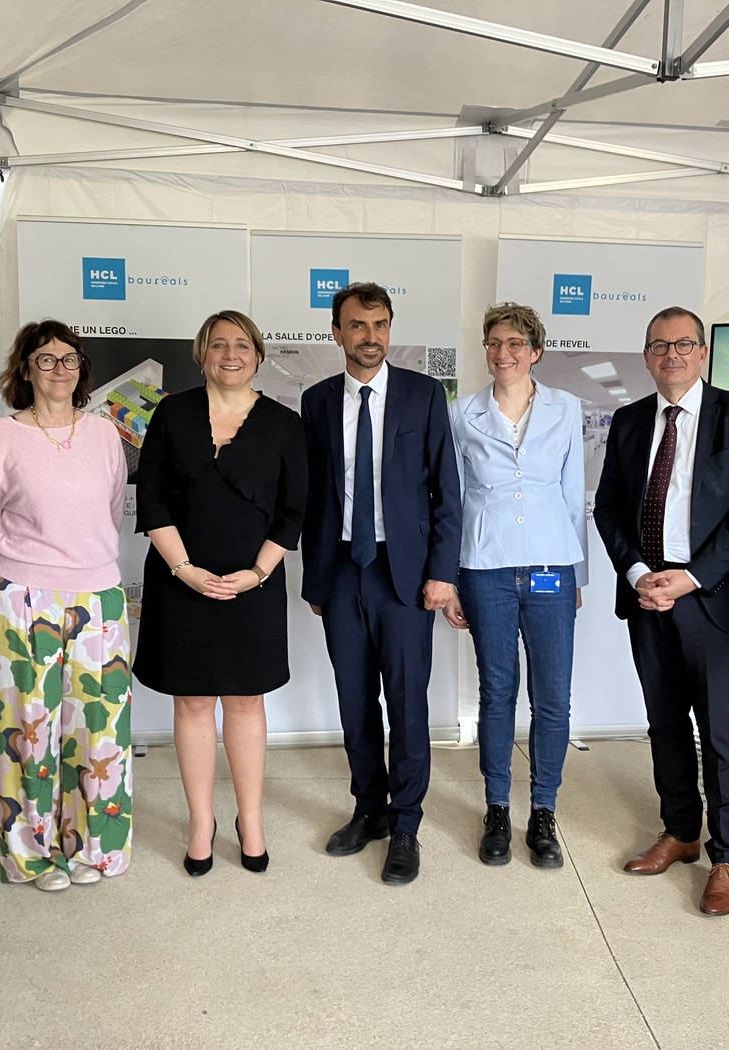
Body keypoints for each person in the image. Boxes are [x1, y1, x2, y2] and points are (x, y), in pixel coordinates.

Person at [592, 305, 729, 916]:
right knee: (665, 723)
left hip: (710, 597)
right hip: (647, 595)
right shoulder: (629, 420)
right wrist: (642, 574)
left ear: (702, 354)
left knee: (720, 730)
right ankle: (681, 832)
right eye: (659, 345)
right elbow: (609, 508)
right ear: (646, 357)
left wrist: (690, 578)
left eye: (684, 344)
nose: (672, 354)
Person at [135, 310, 306, 877]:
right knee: (191, 701)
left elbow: (293, 511)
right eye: (217, 345)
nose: (229, 355)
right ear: (201, 353)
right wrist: (183, 569)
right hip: (180, 580)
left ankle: (250, 820)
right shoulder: (171, 413)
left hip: (252, 585)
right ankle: (201, 821)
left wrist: (258, 573)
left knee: (245, 701)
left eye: (241, 345)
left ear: (258, 355)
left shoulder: (284, 422)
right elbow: (152, 501)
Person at [301, 282, 461, 886]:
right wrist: (316, 577)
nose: (371, 337)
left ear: (390, 329)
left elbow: (447, 491)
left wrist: (442, 574)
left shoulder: (423, 395)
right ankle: (367, 809)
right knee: (354, 700)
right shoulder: (315, 401)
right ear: (336, 332)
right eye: (358, 326)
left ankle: (406, 822)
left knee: (406, 702)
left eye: (381, 325)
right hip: (342, 568)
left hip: (405, 571)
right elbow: (314, 497)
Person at [0, 320, 132, 891]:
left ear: (81, 370)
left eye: (70, 359)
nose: (60, 369)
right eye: (46, 359)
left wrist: (79, 565)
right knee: (28, 729)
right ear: (25, 368)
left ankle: (96, 849)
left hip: (99, 596)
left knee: (100, 730)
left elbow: (111, 511)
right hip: (25, 597)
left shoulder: (104, 434)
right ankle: (31, 855)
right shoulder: (3, 436)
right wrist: (25, 572)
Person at [443, 302, 587, 869]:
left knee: (553, 696)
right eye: (494, 343)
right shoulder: (462, 414)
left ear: (536, 351)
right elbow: (451, 502)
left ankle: (544, 811)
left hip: (553, 564)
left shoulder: (566, 408)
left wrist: (580, 574)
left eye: (515, 344)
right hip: (485, 566)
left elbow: (574, 496)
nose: (503, 353)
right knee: (497, 690)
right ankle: (498, 807)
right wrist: (450, 578)